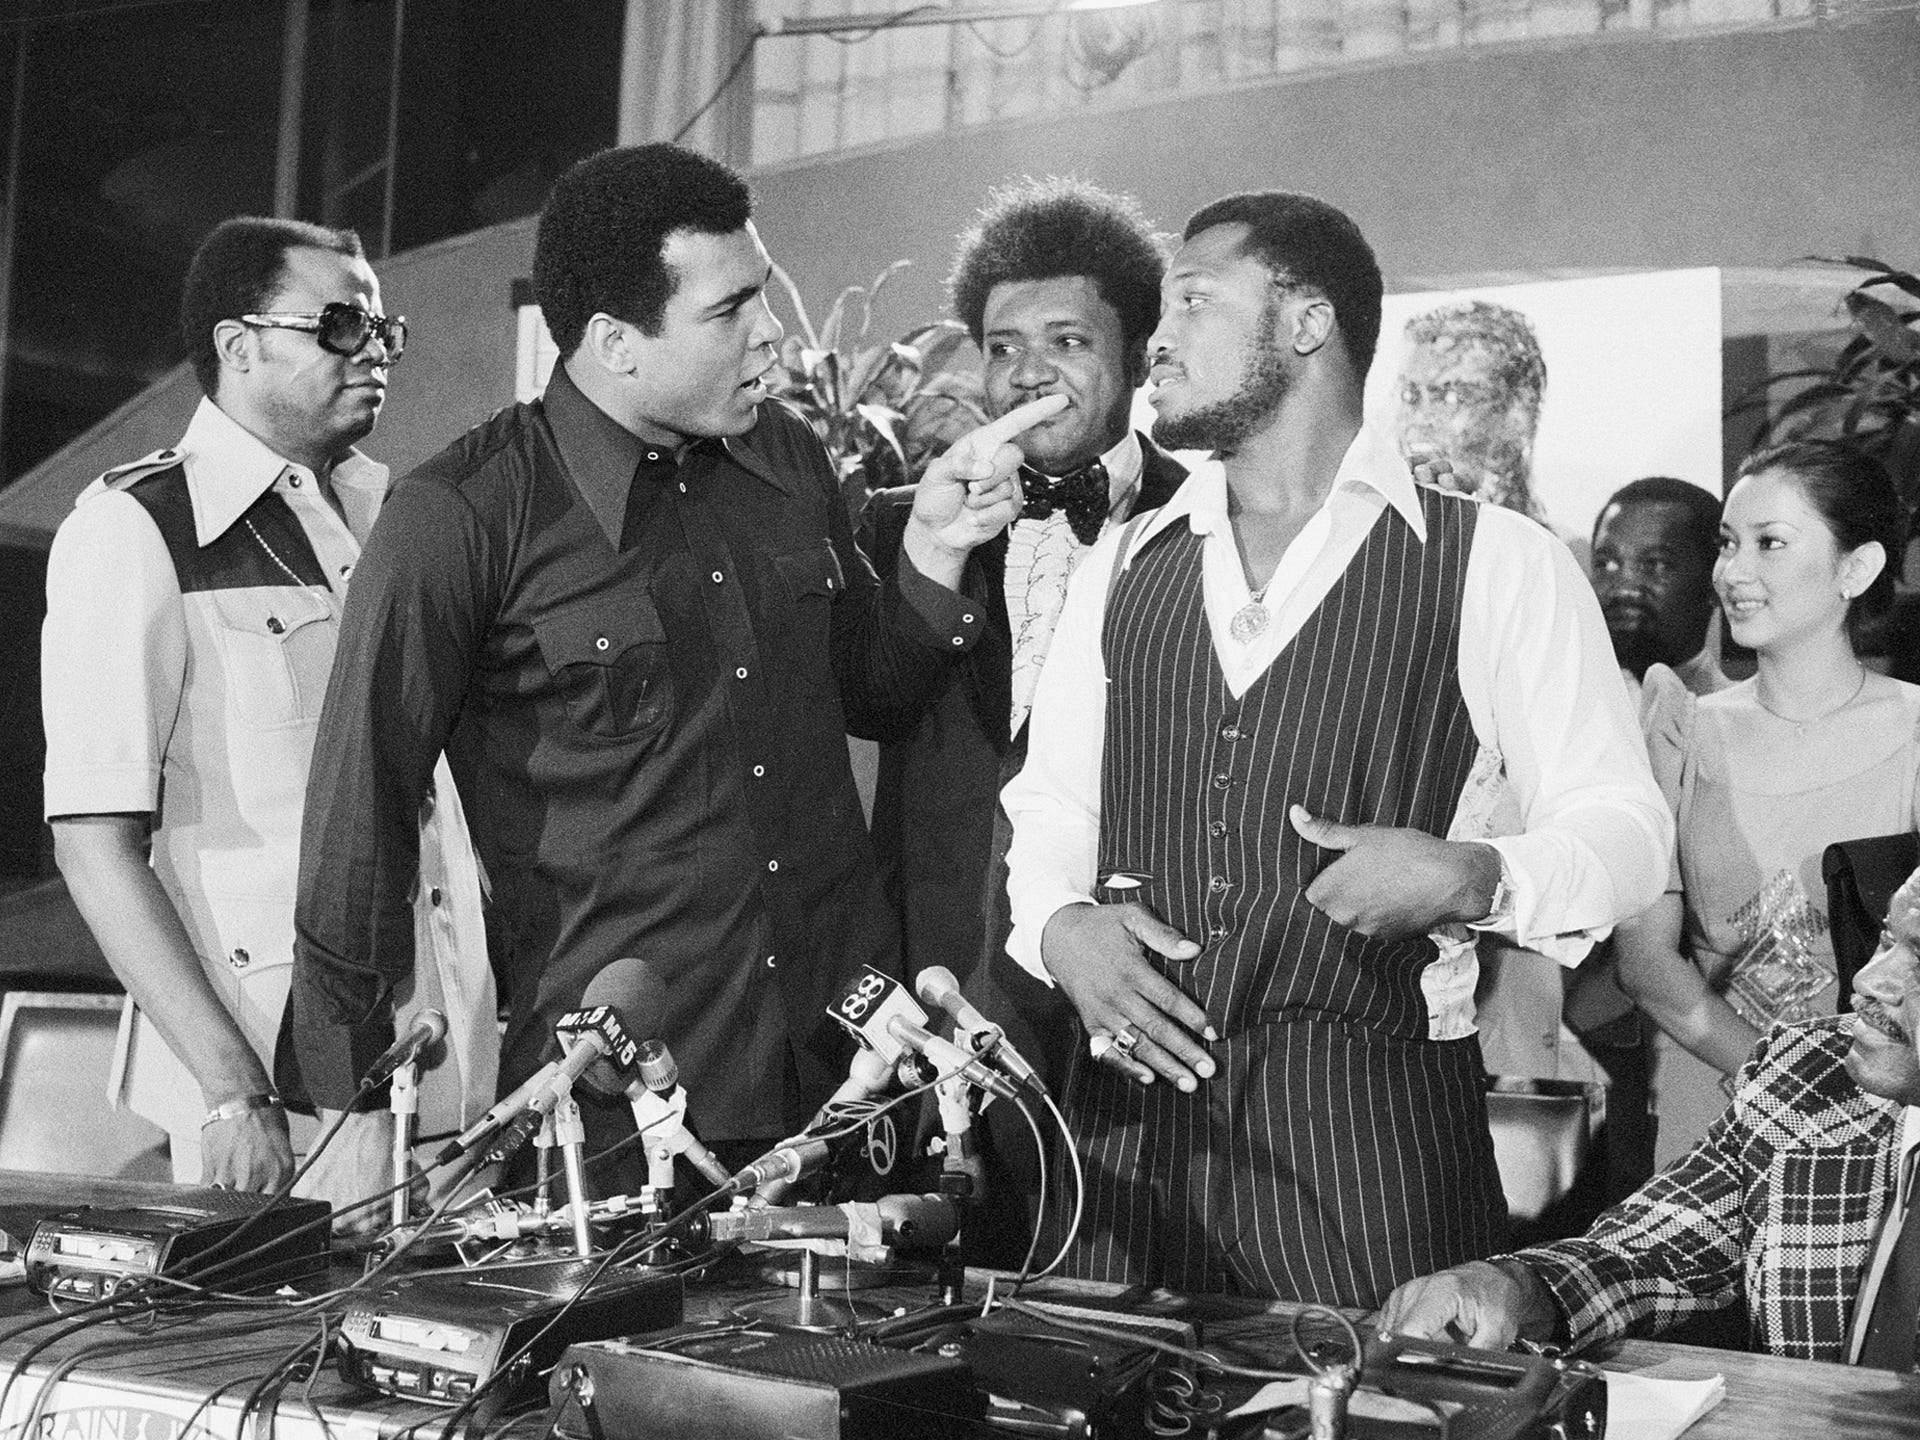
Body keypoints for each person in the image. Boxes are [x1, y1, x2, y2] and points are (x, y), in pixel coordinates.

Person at [290, 144, 1060, 1165]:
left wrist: (932, 551)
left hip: (848, 1078)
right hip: (623, 1108)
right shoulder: (461, 518)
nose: (771, 332)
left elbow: (869, 690)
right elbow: (361, 817)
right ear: (615, 341)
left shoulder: (786, 455)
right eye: (729, 309)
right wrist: (345, 1112)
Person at [1001, 191, 1670, 1306]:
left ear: (1307, 324)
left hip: (1372, 1164)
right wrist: (1061, 926)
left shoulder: (1496, 563)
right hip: (1122, 1163)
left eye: (1196, 304)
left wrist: (1476, 873)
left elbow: (1629, 829)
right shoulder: (1124, 566)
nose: (1156, 341)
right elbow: (1052, 812)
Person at [42, 217, 496, 1195]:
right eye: (339, 324)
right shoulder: (135, 530)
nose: (371, 349)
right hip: (276, 1093)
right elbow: (92, 845)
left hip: (434, 1084)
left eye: (382, 328)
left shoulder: (384, 518)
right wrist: (228, 1091)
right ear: (237, 346)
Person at [863, 178, 1186, 1259]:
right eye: (1004, 346)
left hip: (1132, 992)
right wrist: (938, 549)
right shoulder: (906, 526)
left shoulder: (1219, 525)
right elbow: (874, 705)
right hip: (943, 996)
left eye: (1066, 340)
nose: (1030, 373)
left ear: (1139, 357)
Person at [1381, 862, 1920, 1367]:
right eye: (1887, 940)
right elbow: (1648, 1254)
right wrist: (1511, 1288)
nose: (1870, 981)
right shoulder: (1812, 1071)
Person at [1615, 440, 1920, 1167]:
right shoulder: (1679, 730)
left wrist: (1842, 1099)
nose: (1733, 573)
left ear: (1857, 568)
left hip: (1879, 1130)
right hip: (1711, 1125)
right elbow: (1644, 962)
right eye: (1728, 544)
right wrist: (1781, 1084)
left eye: (1769, 544)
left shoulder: (1915, 733)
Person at [1393, 299, 1546, 521]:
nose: (1421, 419)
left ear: (1517, 411)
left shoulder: (1545, 549)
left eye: (1452, 398)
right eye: (1411, 395)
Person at [1590, 475, 1729, 699]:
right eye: (1606, 564)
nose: (1624, 589)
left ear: (1715, 582)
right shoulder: (1562, 713)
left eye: (1656, 564)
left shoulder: (1741, 723)